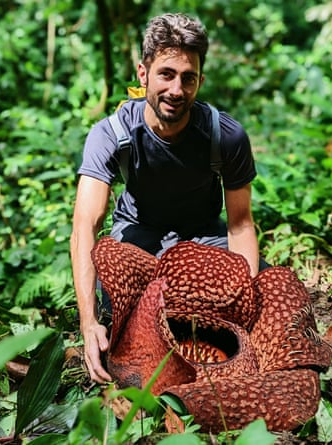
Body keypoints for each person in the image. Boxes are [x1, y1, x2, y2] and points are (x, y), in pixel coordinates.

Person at [70, 12, 263, 384]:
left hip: (204, 238)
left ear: (200, 81)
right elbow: (85, 226)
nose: (177, 89)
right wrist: (89, 322)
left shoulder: (225, 136)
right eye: (166, 74)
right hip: (139, 238)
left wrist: (244, 301)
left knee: (261, 289)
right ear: (143, 74)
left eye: (188, 78)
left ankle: (214, 352)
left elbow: (240, 224)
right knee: (114, 300)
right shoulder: (111, 135)